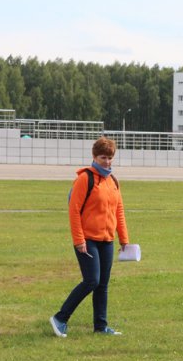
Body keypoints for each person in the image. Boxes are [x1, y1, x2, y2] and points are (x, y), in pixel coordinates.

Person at [50, 137, 129, 337]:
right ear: (94, 157)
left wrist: (124, 239)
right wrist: (79, 240)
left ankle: (101, 326)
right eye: (103, 157)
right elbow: (74, 211)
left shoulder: (113, 181)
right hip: (88, 240)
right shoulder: (85, 178)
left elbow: (118, 211)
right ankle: (60, 317)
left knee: (103, 284)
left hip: (107, 240)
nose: (107, 161)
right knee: (91, 281)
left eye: (110, 157)